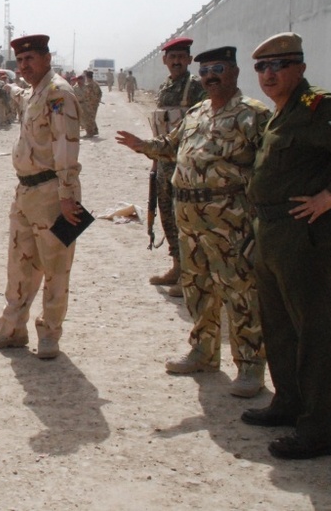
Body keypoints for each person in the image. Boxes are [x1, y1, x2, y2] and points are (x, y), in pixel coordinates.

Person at [116, 46, 270, 397]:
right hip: (189, 219)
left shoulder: (253, 114)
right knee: (197, 288)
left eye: (218, 69)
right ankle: (204, 352)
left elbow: (271, 167)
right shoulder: (197, 112)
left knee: (240, 291)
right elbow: (171, 146)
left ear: (234, 72)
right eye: (205, 72)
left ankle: (250, 366)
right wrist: (142, 145)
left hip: (229, 220)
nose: (210, 77)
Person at [240, 32, 331, 460]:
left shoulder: (319, 108)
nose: (269, 75)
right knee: (279, 327)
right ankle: (290, 402)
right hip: (272, 233)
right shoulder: (281, 113)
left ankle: (322, 430)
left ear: (301, 69)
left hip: (303, 235)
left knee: (314, 331)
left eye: (279, 66)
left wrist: (330, 195)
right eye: (262, 68)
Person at [0, 35, 83, 359]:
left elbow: (66, 147)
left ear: (47, 58)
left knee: (56, 268)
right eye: (20, 61)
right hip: (25, 192)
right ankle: (12, 330)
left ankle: (49, 335)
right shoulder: (36, 92)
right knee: (19, 265)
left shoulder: (59, 94)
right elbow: (20, 94)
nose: (24, 66)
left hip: (54, 193)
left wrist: (68, 196)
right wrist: (4, 85)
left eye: (30, 59)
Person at [149, 37, 206, 291]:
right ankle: (176, 266)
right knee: (168, 215)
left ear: (189, 59)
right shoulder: (165, 87)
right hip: (164, 162)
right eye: (172, 57)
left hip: (186, 164)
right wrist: (155, 161)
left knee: (186, 218)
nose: (176, 61)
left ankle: (190, 276)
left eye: (181, 57)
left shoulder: (195, 87)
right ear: (165, 60)